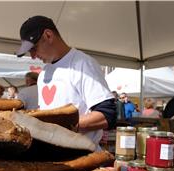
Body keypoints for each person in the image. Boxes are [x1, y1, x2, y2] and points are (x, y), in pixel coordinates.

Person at [16, 15, 116, 145]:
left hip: (81, 155)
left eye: (34, 49)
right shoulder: (44, 73)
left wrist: (62, 127)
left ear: (48, 35)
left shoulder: (82, 64)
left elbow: (107, 115)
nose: (33, 56)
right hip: (52, 154)